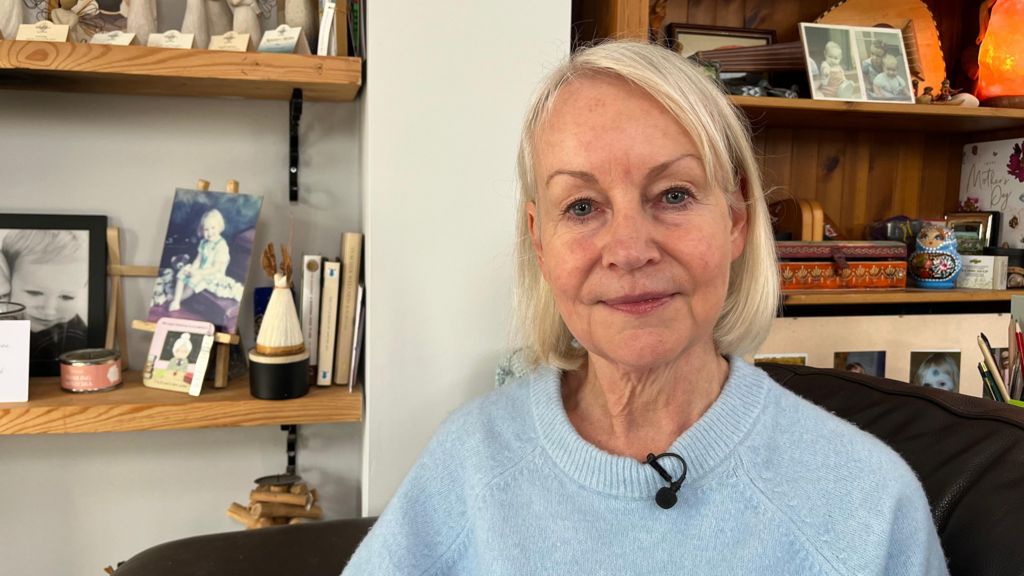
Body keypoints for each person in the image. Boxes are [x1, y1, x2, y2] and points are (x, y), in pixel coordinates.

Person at [342, 41, 948, 575]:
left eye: (674, 194)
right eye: (581, 207)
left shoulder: (867, 502)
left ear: (736, 220)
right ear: (539, 240)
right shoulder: (470, 461)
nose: (629, 251)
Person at [1, 229, 89, 360]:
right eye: (34, 293)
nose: (49, 310)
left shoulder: (72, 339)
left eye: (67, 297)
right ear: (8, 281)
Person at [169, 208, 243, 312]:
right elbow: (198, 259)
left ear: (219, 227)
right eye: (206, 229)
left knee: (193, 281)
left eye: (213, 228)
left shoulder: (221, 245)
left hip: (213, 274)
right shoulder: (204, 242)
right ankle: (175, 298)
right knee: (182, 273)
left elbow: (216, 268)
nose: (210, 232)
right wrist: (192, 269)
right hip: (200, 269)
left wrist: (198, 273)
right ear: (202, 230)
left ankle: (177, 300)